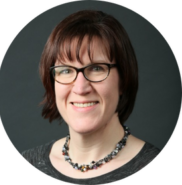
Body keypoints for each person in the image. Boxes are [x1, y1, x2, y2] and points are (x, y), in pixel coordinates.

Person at [20, 10, 162, 183]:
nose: (80, 88)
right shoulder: (29, 162)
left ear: (124, 80)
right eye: (66, 70)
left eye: (96, 68)